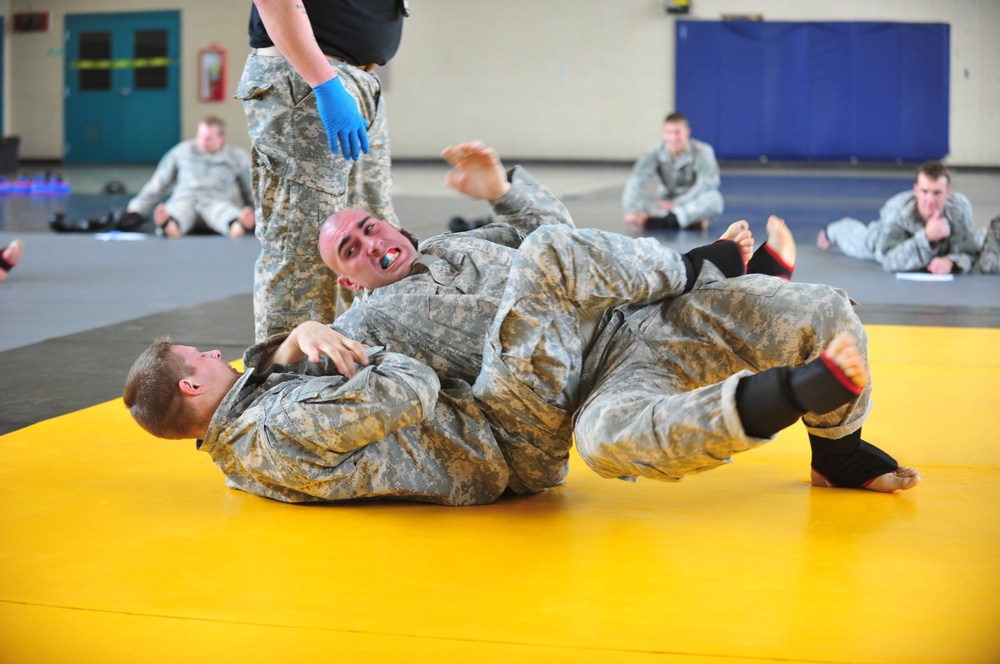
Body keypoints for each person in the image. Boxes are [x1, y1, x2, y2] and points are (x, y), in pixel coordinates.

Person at [320, 142, 918, 494]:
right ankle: (765, 370)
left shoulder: (467, 244)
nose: (370, 244)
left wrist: (501, 188)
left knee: (823, 311)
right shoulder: (367, 323)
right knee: (607, 441)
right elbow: (311, 379)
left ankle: (837, 453)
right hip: (586, 388)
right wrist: (295, 340)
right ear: (350, 281)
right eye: (352, 250)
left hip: (644, 311)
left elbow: (559, 237)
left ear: (392, 226)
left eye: (369, 228)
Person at [122, 321, 508, 506]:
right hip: (499, 437)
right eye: (201, 357)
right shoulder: (280, 423)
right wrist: (350, 344)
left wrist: (297, 340)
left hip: (478, 441)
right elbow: (413, 388)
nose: (216, 354)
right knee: (550, 249)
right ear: (191, 387)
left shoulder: (232, 461)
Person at [237, 0, 407, 342]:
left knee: (376, 237)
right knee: (304, 252)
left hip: (360, 81)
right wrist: (325, 84)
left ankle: (377, 363)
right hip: (307, 79)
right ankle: (286, 387)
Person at [817, 161, 979, 274]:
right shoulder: (897, 211)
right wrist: (927, 237)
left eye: (937, 193)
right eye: (924, 192)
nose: (930, 200)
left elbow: (967, 252)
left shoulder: (959, 208)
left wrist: (951, 263)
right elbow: (889, 261)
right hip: (881, 241)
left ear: (948, 193)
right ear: (916, 190)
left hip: (927, 249)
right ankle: (839, 228)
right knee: (861, 242)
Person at [125, 116, 255, 239]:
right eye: (200, 136)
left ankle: (237, 225)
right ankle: (169, 225)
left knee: (227, 214)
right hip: (185, 200)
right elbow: (159, 182)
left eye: (209, 138)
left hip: (215, 202)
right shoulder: (182, 151)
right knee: (175, 212)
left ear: (222, 137)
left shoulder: (237, 156)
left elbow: (251, 188)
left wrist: (261, 214)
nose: (203, 142)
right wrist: (136, 209)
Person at [622, 112, 724, 231]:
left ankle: (664, 221)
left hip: (692, 200)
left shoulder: (703, 151)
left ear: (687, 132)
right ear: (663, 133)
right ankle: (687, 221)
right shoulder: (654, 152)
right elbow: (637, 179)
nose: (673, 138)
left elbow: (707, 184)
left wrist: (678, 204)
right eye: (669, 133)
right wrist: (630, 209)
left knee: (714, 200)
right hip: (665, 202)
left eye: (677, 132)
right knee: (638, 200)